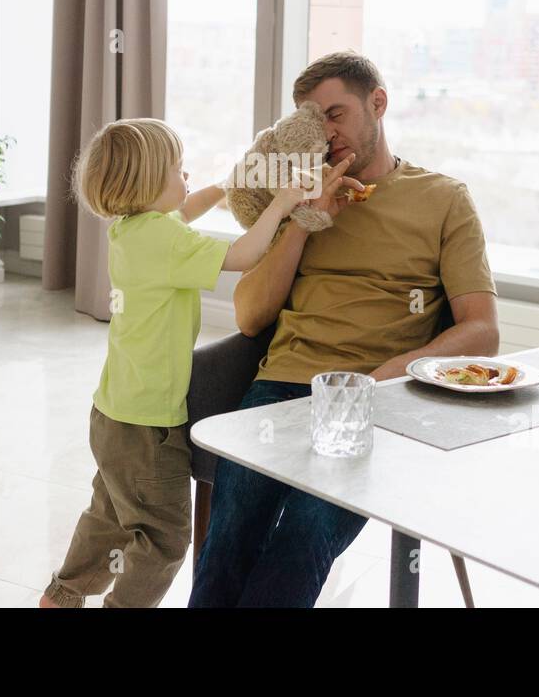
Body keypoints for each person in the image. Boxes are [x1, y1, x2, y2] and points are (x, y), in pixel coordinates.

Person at [189, 51, 500, 607]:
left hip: (372, 400)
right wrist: (306, 220)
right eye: (313, 120)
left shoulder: (442, 199)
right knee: (232, 534)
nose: (325, 133)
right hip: (280, 389)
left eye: (336, 114)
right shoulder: (301, 198)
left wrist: (380, 380)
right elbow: (249, 316)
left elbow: (481, 331)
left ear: (377, 103)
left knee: (304, 536)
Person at [40, 117, 323, 607]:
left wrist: (226, 185)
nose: (186, 176)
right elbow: (242, 255)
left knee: (108, 518)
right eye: (177, 168)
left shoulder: (134, 228)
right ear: (147, 184)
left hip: (113, 416)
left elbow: (183, 211)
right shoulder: (164, 241)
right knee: (165, 538)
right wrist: (282, 204)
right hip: (149, 427)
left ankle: (62, 595)